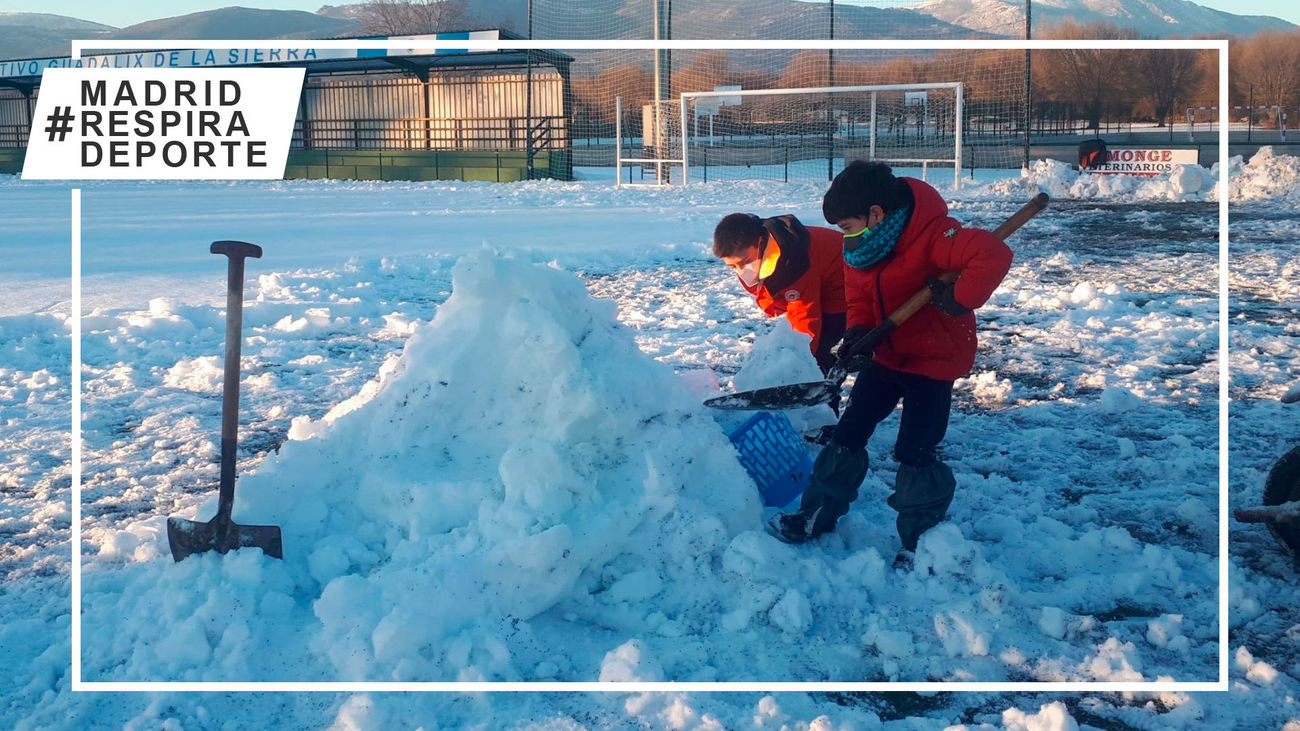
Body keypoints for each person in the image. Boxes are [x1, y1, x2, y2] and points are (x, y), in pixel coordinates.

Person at [770, 161, 1013, 566]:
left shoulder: (932, 236)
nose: (842, 235)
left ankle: (921, 540)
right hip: (887, 355)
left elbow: (992, 253)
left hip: (932, 362)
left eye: (847, 225)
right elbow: (858, 297)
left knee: (914, 450)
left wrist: (957, 300)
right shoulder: (860, 246)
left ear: (876, 214)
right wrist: (859, 333)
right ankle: (816, 514)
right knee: (847, 434)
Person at [713, 213, 847, 375]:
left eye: (745, 262)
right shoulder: (761, 251)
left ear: (760, 243)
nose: (741, 271)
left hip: (845, 283)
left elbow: (805, 317)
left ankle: (818, 382)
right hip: (821, 282)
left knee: (816, 347)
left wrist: (800, 361)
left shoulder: (794, 263)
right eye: (733, 266)